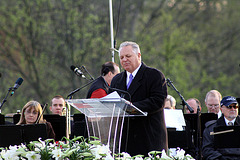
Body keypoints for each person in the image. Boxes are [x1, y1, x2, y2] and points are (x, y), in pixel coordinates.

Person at [110, 41, 168, 156]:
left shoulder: (154, 75)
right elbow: (112, 104)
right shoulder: (117, 80)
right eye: (121, 57)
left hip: (149, 140)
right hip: (125, 142)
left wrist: (131, 106)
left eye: (128, 56)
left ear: (139, 55)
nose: (124, 60)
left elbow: (158, 101)